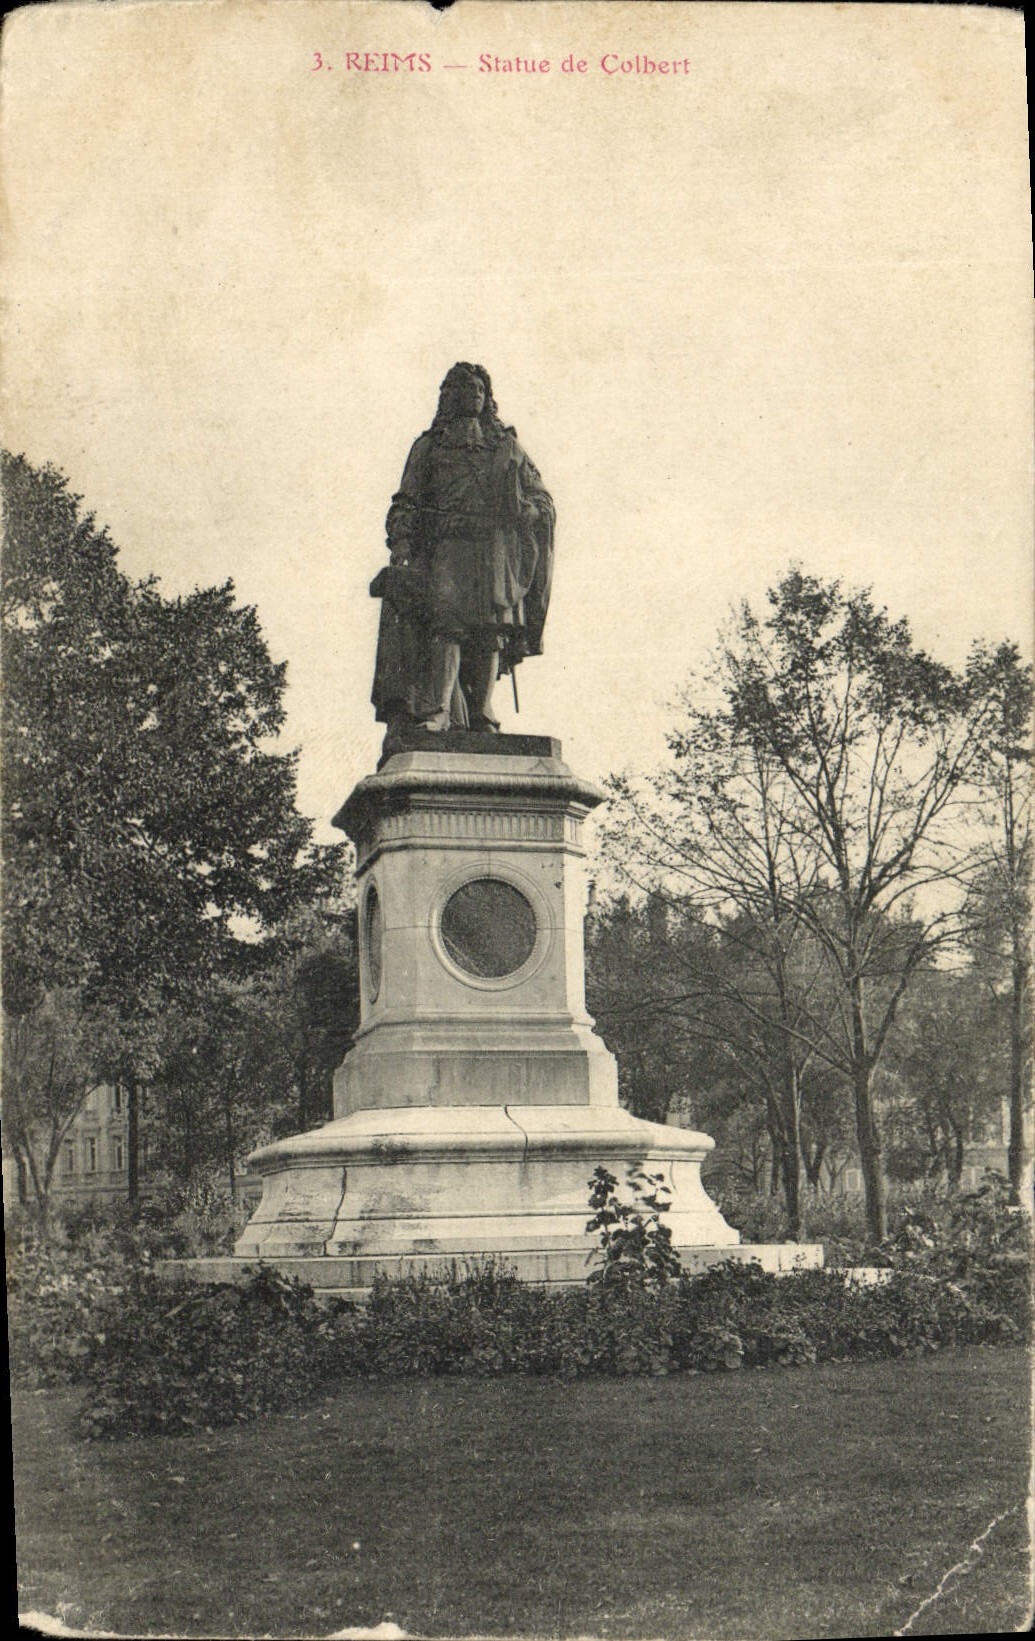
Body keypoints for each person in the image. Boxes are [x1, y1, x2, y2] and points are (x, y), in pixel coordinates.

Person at [371, 363, 555, 736]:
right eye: (466, 388)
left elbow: (541, 496)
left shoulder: (506, 446)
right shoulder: (430, 446)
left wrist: (529, 509)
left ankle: (482, 710)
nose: (474, 395)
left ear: (488, 399)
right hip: (448, 546)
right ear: (450, 395)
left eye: (480, 390)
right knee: (447, 625)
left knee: (490, 631)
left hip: (494, 550)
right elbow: (405, 500)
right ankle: (439, 709)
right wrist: (402, 542)